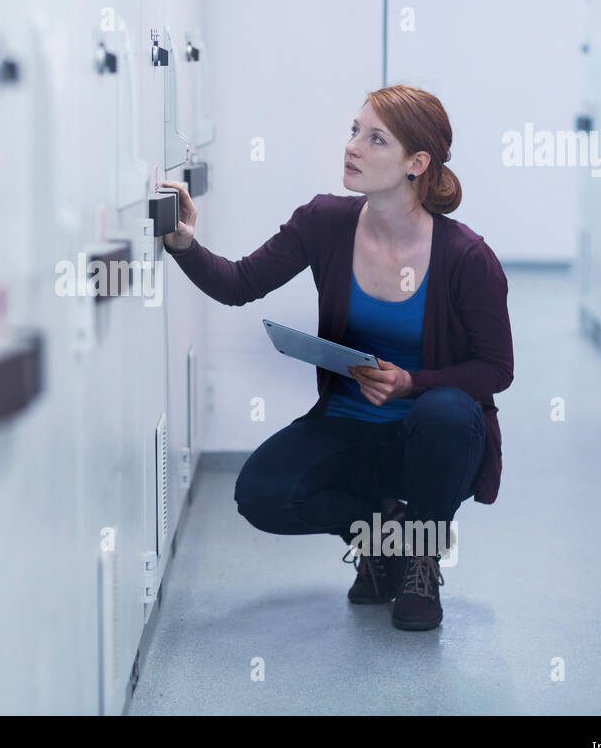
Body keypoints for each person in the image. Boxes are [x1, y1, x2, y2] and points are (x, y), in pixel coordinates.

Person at [158, 84, 514, 631]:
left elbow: (496, 369)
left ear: (416, 162)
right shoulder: (324, 222)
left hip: (434, 442)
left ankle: (421, 561)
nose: (353, 147)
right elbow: (238, 284)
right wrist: (183, 242)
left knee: (446, 409)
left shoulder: (467, 256)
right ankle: (383, 534)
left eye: (376, 139)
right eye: (354, 131)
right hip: (350, 428)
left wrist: (411, 381)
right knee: (260, 493)